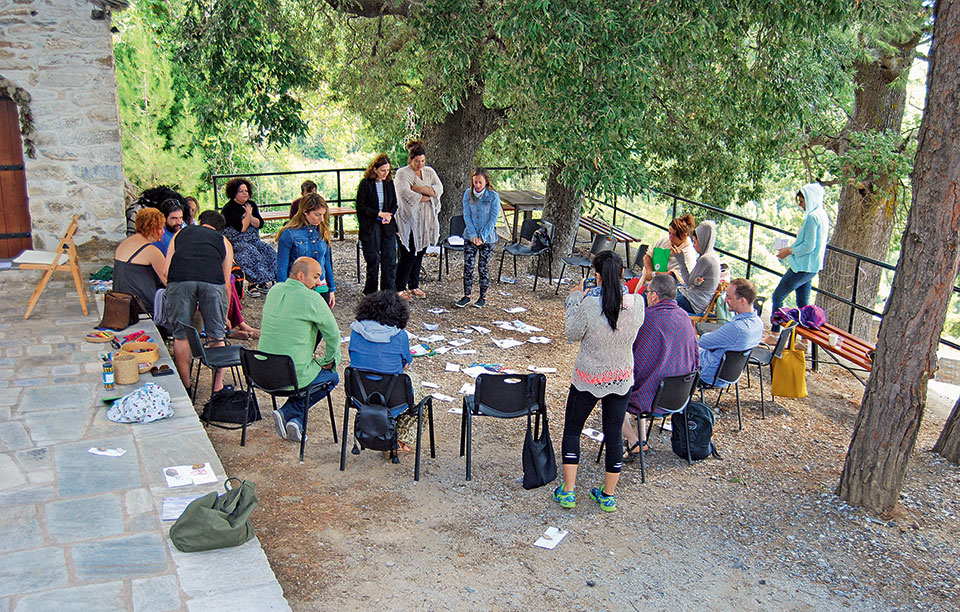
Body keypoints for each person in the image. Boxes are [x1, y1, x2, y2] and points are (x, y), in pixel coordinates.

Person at [555, 251, 645, 513]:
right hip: (620, 375)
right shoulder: (637, 303)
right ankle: (608, 494)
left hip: (588, 375)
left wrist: (575, 298)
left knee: (573, 429)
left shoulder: (589, 305)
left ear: (596, 276)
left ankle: (569, 491)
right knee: (614, 432)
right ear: (621, 276)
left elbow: (572, 333)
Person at [258, 257, 341, 442]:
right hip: (290, 375)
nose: (318, 282)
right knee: (332, 377)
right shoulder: (312, 298)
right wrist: (329, 361)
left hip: (260, 371)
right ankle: (290, 411)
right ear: (301, 276)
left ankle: (296, 422)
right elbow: (333, 335)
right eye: (316, 277)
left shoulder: (274, 290)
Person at [621, 274, 699, 461]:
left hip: (652, 397)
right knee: (651, 379)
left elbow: (635, 362)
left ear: (654, 295)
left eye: (647, 293)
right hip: (680, 395)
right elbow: (696, 358)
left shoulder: (646, 320)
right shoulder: (686, 318)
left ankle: (634, 441)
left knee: (613, 391)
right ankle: (643, 439)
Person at [165, 210, 234, 396]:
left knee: (181, 336)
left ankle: (186, 386)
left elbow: (166, 268)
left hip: (180, 279)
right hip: (212, 282)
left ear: (200, 221)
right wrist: (224, 315)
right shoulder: (223, 241)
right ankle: (217, 388)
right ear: (220, 229)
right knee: (216, 336)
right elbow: (226, 283)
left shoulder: (180, 233)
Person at [348, 291, 417, 454]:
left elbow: (353, 357)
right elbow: (407, 362)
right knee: (415, 393)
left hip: (359, 396)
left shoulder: (355, 332)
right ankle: (399, 440)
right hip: (393, 399)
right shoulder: (400, 336)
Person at [770, 182, 830, 335]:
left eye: (802, 201)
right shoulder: (822, 215)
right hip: (812, 267)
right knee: (803, 304)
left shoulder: (812, 217)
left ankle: (775, 332)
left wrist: (789, 251)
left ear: (810, 198)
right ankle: (805, 338)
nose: (800, 205)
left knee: (777, 296)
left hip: (803, 266)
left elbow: (809, 245)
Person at [394, 139, 443, 299]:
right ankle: (399, 286)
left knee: (421, 251)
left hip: (426, 219)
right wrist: (427, 194)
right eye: (417, 161)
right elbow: (406, 194)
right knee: (408, 253)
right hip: (409, 220)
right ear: (410, 160)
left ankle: (414, 284)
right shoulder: (403, 173)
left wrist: (421, 190)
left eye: (423, 161)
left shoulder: (429, 171)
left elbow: (439, 189)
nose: (420, 164)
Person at [698, 278, 764, 386]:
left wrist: (714, 334)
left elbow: (702, 342)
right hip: (728, 374)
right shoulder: (758, 324)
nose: (725, 300)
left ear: (742, 300)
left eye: (729, 297)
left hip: (707, 372)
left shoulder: (736, 328)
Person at [275, 193, 337, 307]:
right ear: (305, 212)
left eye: (323, 214)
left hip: (321, 285)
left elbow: (327, 262)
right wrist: (283, 292)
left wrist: (331, 289)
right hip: (298, 287)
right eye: (317, 214)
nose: (321, 219)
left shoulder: (323, 231)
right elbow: (281, 267)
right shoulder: (288, 234)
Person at [221, 177, 277, 293]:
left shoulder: (251, 204)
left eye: (246, 191)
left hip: (253, 239)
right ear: (234, 193)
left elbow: (259, 224)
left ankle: (264, 281)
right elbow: (242, 228)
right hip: (237, 242)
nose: (244, 193)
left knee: (266, 249)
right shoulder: (229, 208)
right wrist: (248, 214)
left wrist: (250, 216)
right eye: (241, 191)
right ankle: (252, 284)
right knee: (250, 252)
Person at [455, 168, 500, 309]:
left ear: (486, 182)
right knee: (468, 266)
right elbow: (467, 216)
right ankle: (467, 295)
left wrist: (482, 236)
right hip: (470, 235)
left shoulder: (493, 196)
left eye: (480, 182)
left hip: (487, 237)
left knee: (483, 267)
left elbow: (493, 219)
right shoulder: (467, 195)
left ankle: (482, 296)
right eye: (475, 183)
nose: (478, 186)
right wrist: (473, 235)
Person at [355, 154, 398, 294]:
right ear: (375, 170)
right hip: (371, 225)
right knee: (373, 260)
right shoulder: (365, 184)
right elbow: (360, 206)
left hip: (387, 224)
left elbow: (394, 204)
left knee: (390, 258)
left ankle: (388, 292)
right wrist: (377, 214)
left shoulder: (389, 183)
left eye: (388, 170)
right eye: (383, 170)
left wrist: (389, 215)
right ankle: (371, 292)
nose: (386, 173)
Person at [114, 208, 167, 318]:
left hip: (121, 301)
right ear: (152, 228)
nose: (162, 232)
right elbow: (168, 280)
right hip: (142, 306)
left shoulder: (124, 244)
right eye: (160, 228)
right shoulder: (151, 251)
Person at [675, 220, 721, 315]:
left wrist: (681, 261)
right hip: (696, 300)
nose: (694, 246)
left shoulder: (706, 259)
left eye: (695, 242)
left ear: (702, 240)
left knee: (659, 297)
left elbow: (688, 282)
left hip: (693, 303)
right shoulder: (712, 256)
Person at [642, 214, 698, 283]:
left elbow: (675, 276)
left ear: (684, 235)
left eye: (674, 235)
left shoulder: (688, 253)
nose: (670, 238)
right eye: (670, 233)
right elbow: (647, 256)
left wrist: (654, 274)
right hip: (648, 277)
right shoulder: (665, 241)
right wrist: (649, 271)